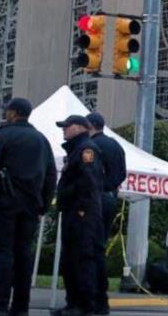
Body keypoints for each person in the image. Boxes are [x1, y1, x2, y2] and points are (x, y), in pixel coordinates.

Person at [0, 99, 57, 316]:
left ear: (13, 113)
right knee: (23, 254)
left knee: (2, 253)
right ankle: (21, 307)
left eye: (8, 112)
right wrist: (43, 205)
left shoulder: (3, 135)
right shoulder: (42, 140)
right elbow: (51, 175)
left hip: (5, 202)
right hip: (31, 206)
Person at [53, 116, 104, 316]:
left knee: (81, 259)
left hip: (82, 213)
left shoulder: (86, 150)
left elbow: (89, 181)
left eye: (67, 126)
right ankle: (73, 303)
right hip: (74, 211)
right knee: (70, 259)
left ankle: (83, 305)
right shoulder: (77, 149)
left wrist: (81, 207)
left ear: (80, 128)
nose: (63, 130)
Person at [85, 113, 126, 316]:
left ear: (91, 126)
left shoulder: (91, 146)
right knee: (99, 247)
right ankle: (101, 297)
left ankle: (91, 296)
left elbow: (88, 174)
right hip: (110, 198)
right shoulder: (115, 145)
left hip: (95, 199)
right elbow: (122, 174)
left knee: (87, 249)